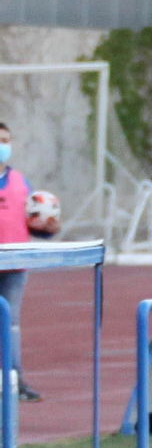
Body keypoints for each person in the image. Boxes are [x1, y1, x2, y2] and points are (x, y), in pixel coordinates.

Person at [0, 122, 62, 402]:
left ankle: (15, 380)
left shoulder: (21, 183)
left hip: (15, 265)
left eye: (6, 140)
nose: (3, 146)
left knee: (10, 323)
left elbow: (35, 225)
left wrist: (49, 227)